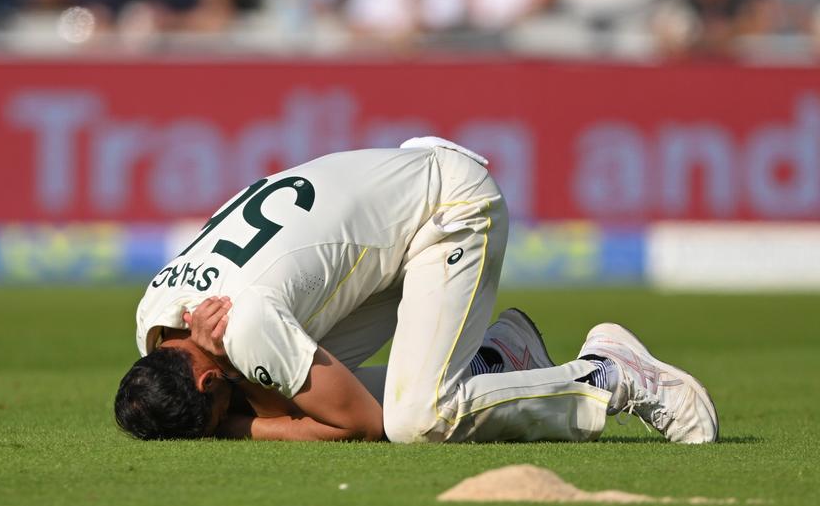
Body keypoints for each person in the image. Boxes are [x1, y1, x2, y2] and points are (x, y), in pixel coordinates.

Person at [114, 138, 719, 444]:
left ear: (207, 379)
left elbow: (362, 425)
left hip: (445, 207)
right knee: (313, 394)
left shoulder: (242, 327)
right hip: (381, 229)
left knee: (416, 419)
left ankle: (608, 376)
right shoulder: (153, 312)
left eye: (219, 409)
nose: (229, 420)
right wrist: (248, 397)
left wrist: (239, 426)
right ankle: (497, 359)